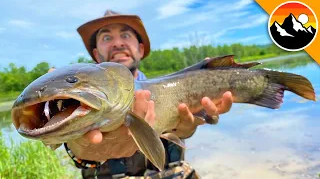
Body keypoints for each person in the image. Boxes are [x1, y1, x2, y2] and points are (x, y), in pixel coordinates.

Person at [62, 10, 233, 178]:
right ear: (96, 55)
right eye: (107, 38)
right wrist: (81, 149)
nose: (117, 43)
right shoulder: (83, 99)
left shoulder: (171, 88)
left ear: (141, 49)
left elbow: (186, 130)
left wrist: (201, 120)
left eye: (126, 35)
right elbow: (79, 154)